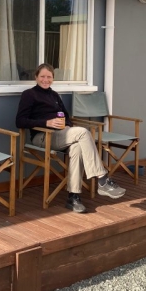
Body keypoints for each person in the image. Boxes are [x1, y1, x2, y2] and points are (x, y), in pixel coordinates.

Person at [16, 63, 126, 213]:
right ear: (36, 77)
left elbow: (66, 117)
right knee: (83, 132)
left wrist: (67, 126)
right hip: (42, 137)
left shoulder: (54, 95)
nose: (45, 80)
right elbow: (20, 121)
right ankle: (102, 179)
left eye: (49, 77)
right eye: (42, 76)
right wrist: (46, 122)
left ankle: (73, 197)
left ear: (53, 79)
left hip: (62, 135)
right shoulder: (29, 94)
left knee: (77, 148)